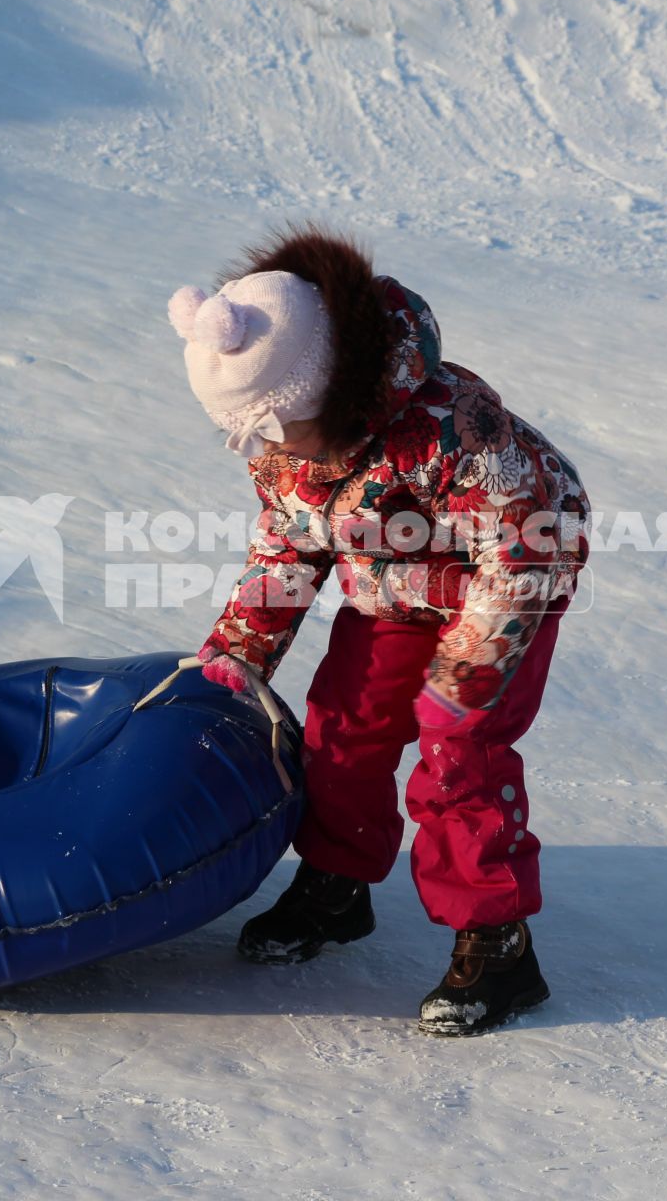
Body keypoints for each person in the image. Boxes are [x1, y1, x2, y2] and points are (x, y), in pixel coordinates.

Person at [166, 222, 589, 1036]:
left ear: (325, 386)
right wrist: (236, 654)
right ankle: (337, 884)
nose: (267, 452)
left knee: (456, 747)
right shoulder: (288, 444)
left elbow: (521, 551)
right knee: (342, 730)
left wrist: (465, 677)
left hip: (510, 581)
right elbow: (291, 541)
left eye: (274, 428)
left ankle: (497, 944)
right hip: (397, 588)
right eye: (252, 436)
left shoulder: (453, 429)